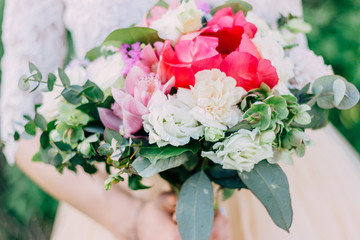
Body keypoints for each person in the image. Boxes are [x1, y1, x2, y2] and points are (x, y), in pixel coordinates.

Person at [2, 0, 360, 239]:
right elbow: (16, 121)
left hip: (270, 174)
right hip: (133, 197)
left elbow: (291, 51)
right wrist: (131, 219)